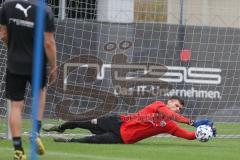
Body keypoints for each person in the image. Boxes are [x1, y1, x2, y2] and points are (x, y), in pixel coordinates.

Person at [0, 0, 57, 159]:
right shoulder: (44, 10)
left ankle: (18, 150)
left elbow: (3, 35)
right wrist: (54, 66)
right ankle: (34, 133)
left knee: (16, 106)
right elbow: (48, 43)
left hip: (14, 64)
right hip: (37, 64)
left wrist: (13, 50)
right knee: (40, 93)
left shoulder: (7, 6)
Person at [43, 96, 216, 144]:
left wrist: (203, 134)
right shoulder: (158, 105)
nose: (177, 109)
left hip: (123, 138)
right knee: (84, 120)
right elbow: (171, 115)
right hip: (118, 122)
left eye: (180, 108)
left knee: (93, 140)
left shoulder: (168, 126)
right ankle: (61, 127)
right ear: (169, 102)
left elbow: (187, 135)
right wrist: (192, 122)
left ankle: (68, 140)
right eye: (177, 105)